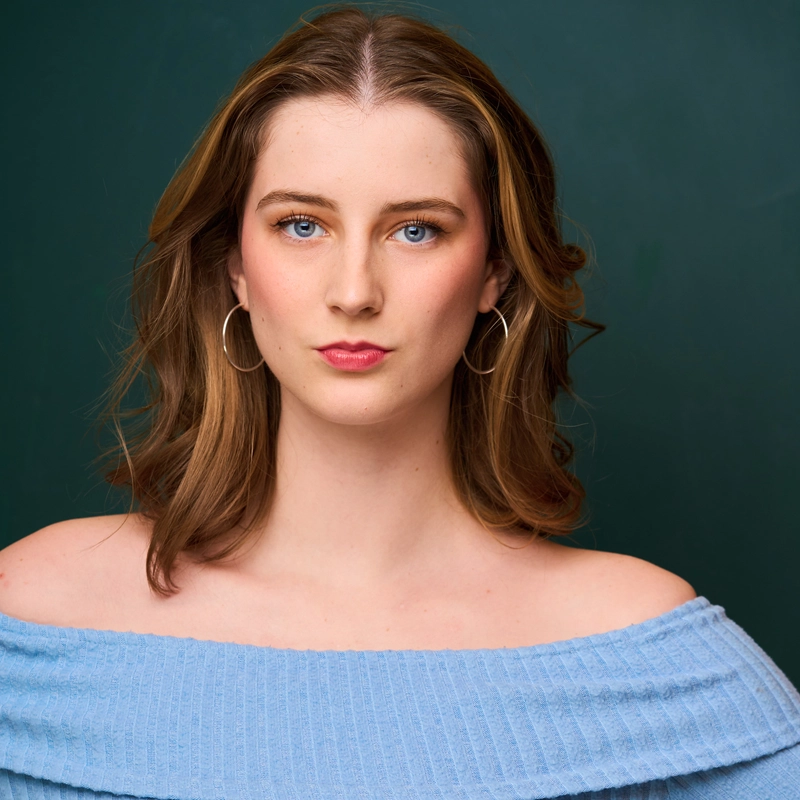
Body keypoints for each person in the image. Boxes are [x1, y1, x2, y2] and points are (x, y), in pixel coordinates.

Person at [1, 5, 798, 798]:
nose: (354, 292)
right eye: (301, 225)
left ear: (495, 272)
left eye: (415, 230)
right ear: (235, 266)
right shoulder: (35, 623)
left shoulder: (649, 661)